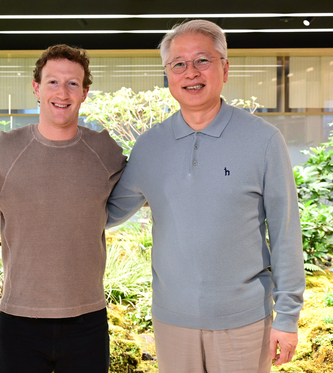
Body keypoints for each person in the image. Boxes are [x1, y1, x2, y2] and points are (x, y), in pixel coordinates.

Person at [107, 20, 305, 373]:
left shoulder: (263, 140)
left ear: (225, 68)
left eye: (202, 60)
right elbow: (105, 213)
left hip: (244, 321)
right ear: (168, 74)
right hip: (172, 321)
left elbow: (287, 233)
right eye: (178, 64)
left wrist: (287, 317)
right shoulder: (150, 146)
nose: (190, 72)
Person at [0, 44, 126, 373]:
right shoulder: (4, 151)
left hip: (87, 320)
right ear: (37, 88)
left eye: (73, 83)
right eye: (53, 82)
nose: (62, 92)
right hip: (20, 319)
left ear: (85, 92)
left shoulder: (105, 152)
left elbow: (125, 199)